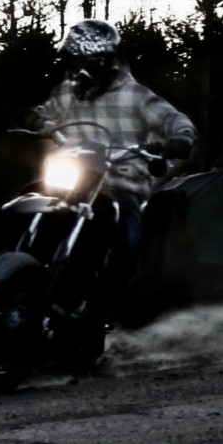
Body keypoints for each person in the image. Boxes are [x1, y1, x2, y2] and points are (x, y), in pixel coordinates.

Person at [31, 18, 197, 328]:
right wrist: (36, 120)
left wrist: (180, 137)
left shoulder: (134, 94)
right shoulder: (67, 92)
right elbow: (44, 113)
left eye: (87, 63)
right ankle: (21, 275)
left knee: (128, 241)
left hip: (122, 181)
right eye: (73, 62)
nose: (79, 71)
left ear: (107, 62)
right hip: (74, 175)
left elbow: (174, 120)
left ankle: (98, 315)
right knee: (28, 201)